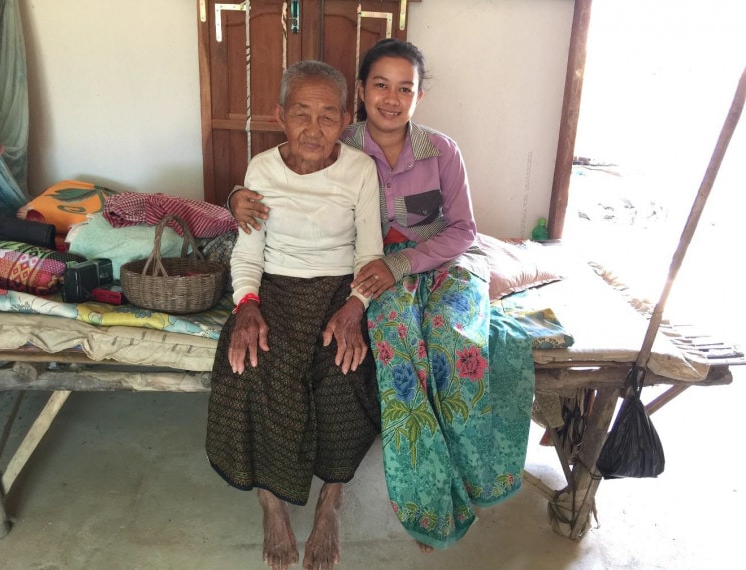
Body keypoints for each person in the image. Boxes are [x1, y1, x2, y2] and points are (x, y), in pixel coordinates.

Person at [228, 39, 535, 551]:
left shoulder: (441, 151)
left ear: (419, 96)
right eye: (380, 85)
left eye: (405, 88)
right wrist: (233, 197)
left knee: (455, 344)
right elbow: (276, 181)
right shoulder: (336, 138)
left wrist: (400, 264)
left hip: (437, 264)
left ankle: (464, 481)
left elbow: (462, 230)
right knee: (394, 348)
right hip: (376, 275)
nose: (392, 99)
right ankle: (426, 495)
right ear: (363, 94)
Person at [206, 60, 384, 570]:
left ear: (345, 119)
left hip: (338, 291)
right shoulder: (261, 170)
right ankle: (272, 502)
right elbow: (247, 253)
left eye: (329, 116)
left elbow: (368, 254)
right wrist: (247, 306)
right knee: (253, 366)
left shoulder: (359, 169)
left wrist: (356, 308)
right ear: (279, 115)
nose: (314, 128)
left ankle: (331, 500)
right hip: (275, 288)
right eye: (301, 113)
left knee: (342, 370)